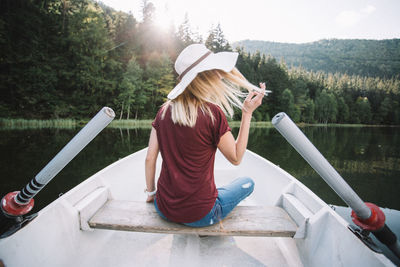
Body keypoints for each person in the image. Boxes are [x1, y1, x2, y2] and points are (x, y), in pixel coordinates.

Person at [144, 43, 265, 227]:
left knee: (218, 189)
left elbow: (149, 159)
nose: (218, 75)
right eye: (213, 70)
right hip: (201, 215)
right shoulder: (212, 114)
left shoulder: (162, 112)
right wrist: (247, 113)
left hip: (164, 209)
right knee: (247, 182)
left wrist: (151, 194)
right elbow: (236, 158)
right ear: (204, 77)